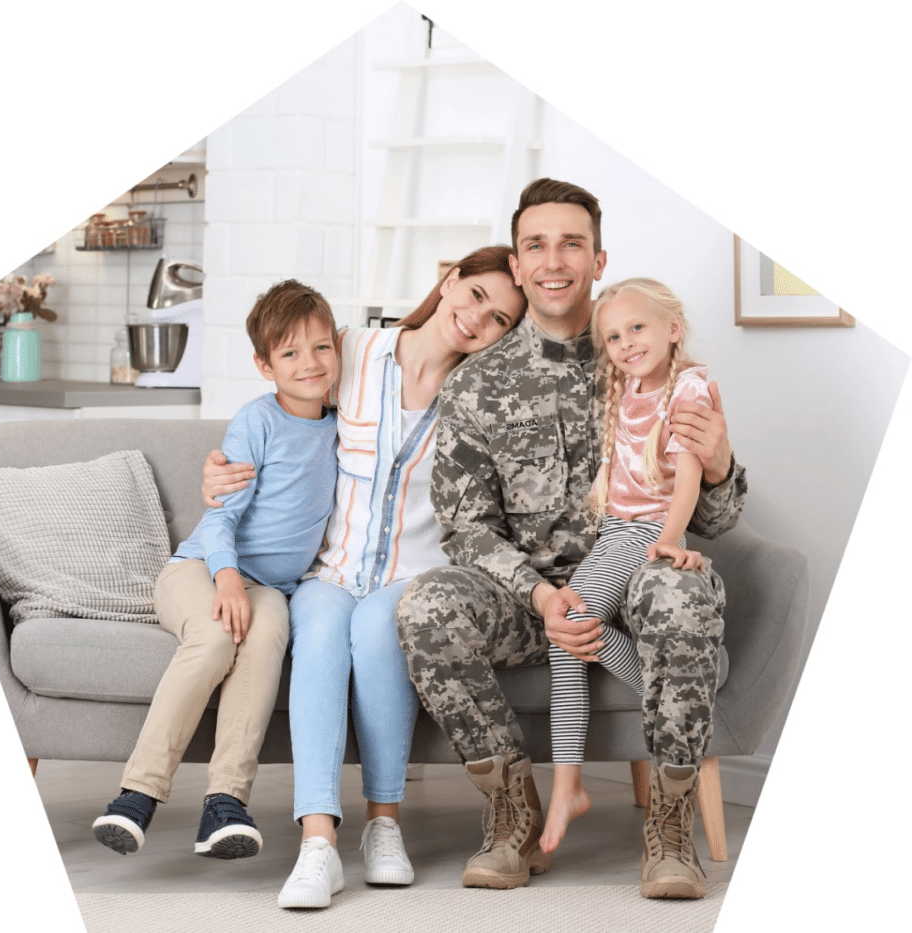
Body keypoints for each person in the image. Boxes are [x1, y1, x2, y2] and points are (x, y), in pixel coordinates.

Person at [394, 178, 746, 899]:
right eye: (536, 245)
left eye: (572, 243)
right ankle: (511, 809)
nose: (554, 260)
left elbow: (713, 521)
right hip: (532, 603)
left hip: (638, 580)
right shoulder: (478, 383)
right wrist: (543, 594)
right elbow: (467, 526)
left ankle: (671, 828)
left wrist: (718, 469)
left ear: (598, 257)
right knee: (426, 606)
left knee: (681, 593)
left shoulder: (640, 352)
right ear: (518, 266)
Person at [201, 245, 527, 909]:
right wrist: (223, 472)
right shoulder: (352, 349)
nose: (476, 320)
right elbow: (282, 412)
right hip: (331, 569)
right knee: (319, 630)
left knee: (380, 630)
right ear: (448, 280)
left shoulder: (480, 401)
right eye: (474, 296)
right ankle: (317, 843)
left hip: (414, 578)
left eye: (498, 319)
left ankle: (384, 825)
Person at [91, 280, 340, 863]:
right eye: (290, 353)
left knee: (262, 645)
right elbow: (222, 516)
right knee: (211, 643)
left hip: (273, 588)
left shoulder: (345, 423)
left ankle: (225, 804)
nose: (310, 363)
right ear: (263, 364)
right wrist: (227, 578)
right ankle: (137, 794)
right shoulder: (256, 422)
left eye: (322, 347)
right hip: (202, 566)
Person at [541, 277, 712, 857]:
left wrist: (667, 540)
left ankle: (568, 786)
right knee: (570, 629)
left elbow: (687, 476)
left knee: (567, 624)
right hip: (614, 532)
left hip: (643, 536)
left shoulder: (689, 386)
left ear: (672, 326)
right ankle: (677, 695)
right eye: (613, 336)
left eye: (637, 327)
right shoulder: (628, 384)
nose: (625, 342)